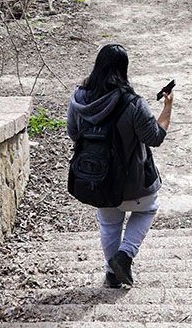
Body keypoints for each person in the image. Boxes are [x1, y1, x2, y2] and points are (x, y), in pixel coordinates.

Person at [66, 44, 174, 288]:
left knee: (109, 222)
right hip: (133, 183)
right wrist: (167, 106)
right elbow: (155, 137)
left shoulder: (78, 100)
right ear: (124, 69)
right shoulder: (133, 103)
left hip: (96, 180)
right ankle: (124, 256)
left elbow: (74, 133)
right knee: (148, 209)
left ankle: (112, 273)